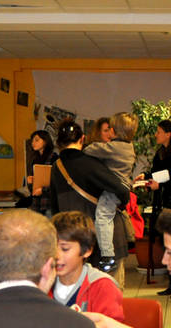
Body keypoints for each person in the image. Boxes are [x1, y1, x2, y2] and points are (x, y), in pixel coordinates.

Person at [50, 121, 130, 285]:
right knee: (110, 293)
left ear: (59, 143)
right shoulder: (91, 162)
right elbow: (121, 190)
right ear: (82, 139)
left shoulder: (56, 167)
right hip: (106, 240)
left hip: (75, 240)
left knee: (80, 296)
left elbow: (55, 206)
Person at [136, 120, 171, 302]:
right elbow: (159, 173)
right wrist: (145, 177)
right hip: (164, 206)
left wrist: (159, 184)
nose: (156, 135)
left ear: (168, 134)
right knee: (168, 246)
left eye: (159, 131)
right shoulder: (160, 154)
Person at [83, 113, 138, 273]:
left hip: (112, 190)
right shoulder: (128, 146)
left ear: (114, 131)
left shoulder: (113, 147)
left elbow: (89, 150)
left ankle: (107, 255)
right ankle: (126, 240)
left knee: (103, 217)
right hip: (122, 187)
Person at [27, 129, 58, 215]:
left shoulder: (54, 158)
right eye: (32, 140)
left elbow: (57, 183)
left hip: (49, 204)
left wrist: (43, 190)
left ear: (45, 141)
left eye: (37, 140)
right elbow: (32, 189)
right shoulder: (34, 160)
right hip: (36, 204)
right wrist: (30, 182)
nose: (33, 143)